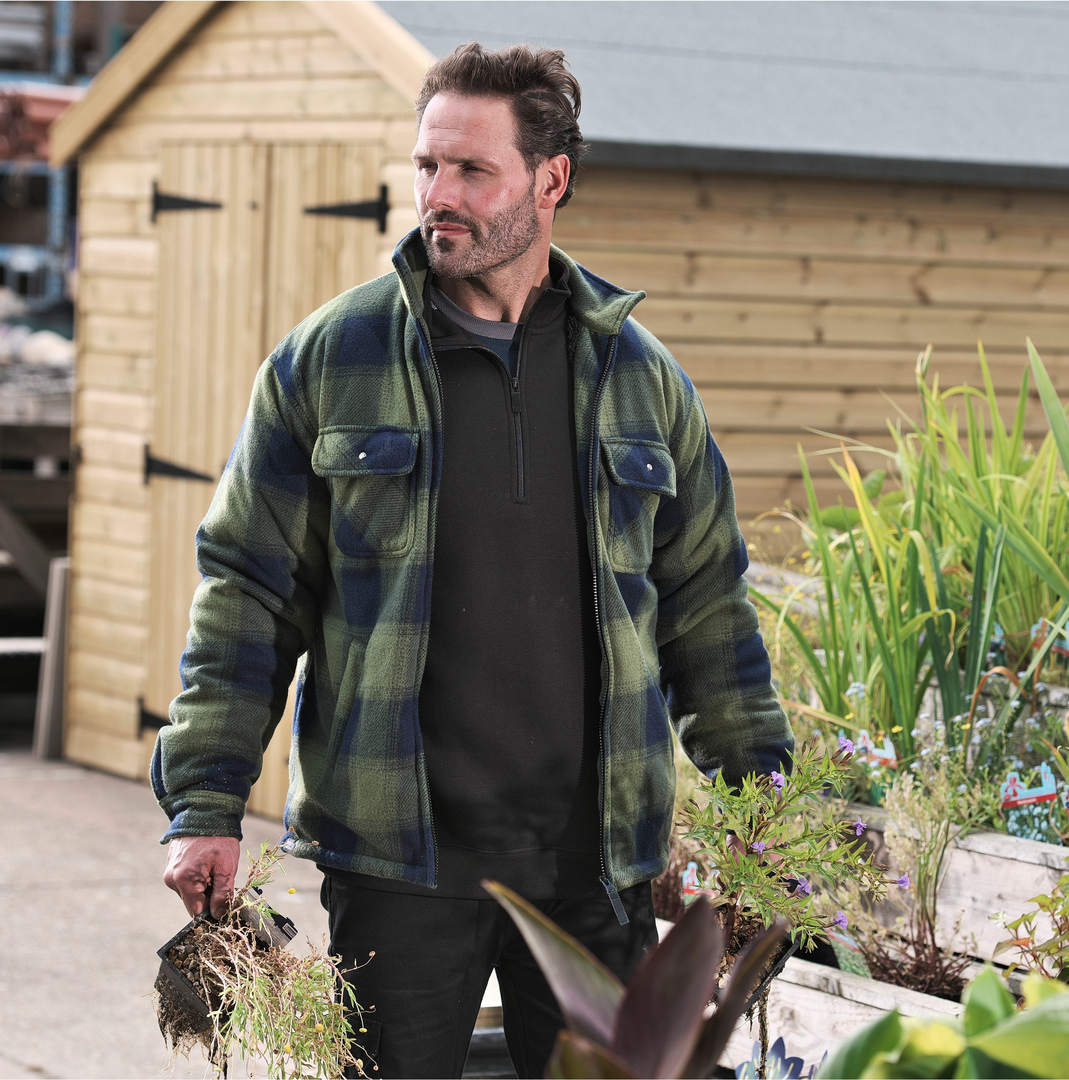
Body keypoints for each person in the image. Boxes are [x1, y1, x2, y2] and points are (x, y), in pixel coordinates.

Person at [154, 41, 793, 1079]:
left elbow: (706, 606)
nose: (436, 195)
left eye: (470, 171)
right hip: (402, 862)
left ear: (552, 180)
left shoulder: (642, 379)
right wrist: (205, 804)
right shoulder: (331, 359)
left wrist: (764, 807)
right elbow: (248, 593)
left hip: (597, 868)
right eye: (426, 167)